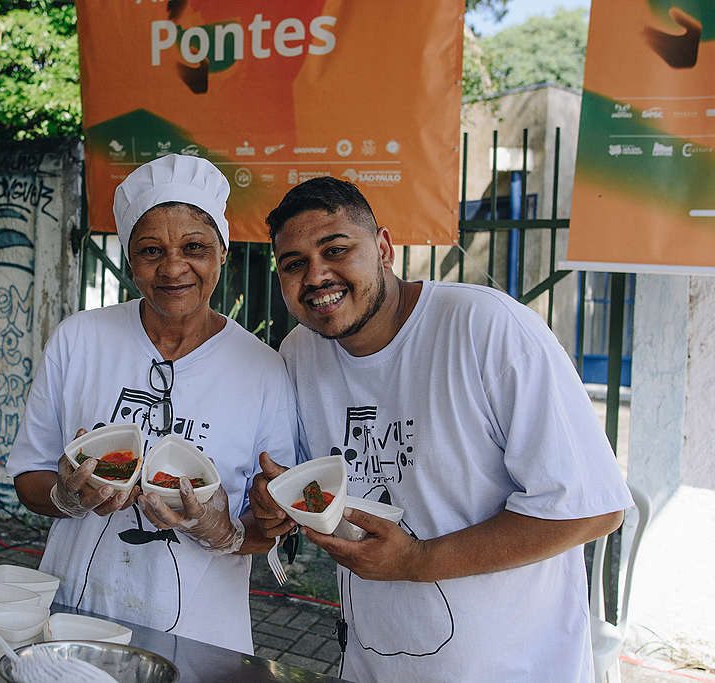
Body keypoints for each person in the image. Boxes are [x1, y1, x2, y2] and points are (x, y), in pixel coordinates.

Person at [250, 176, 633, 681]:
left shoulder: (486, 329)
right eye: (294, 264)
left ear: (384, 247)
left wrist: (419, 560)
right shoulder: (301, 352)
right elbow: (306, 485)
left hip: (510, 668)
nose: (316, 276)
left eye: (336, 250)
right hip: (372, 661)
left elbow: (593, 510)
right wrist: (272, 502)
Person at [6, 154, 297, 653]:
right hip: (76, 618)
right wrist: (65, 496)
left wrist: (222, 530)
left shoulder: (263, 369)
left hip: (201, 636)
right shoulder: (80, 340)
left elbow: (268, 527)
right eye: (150, 250)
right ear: (128, 259)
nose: (173, 268)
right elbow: (28, 476)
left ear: (222, 252)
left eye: (195, 247)